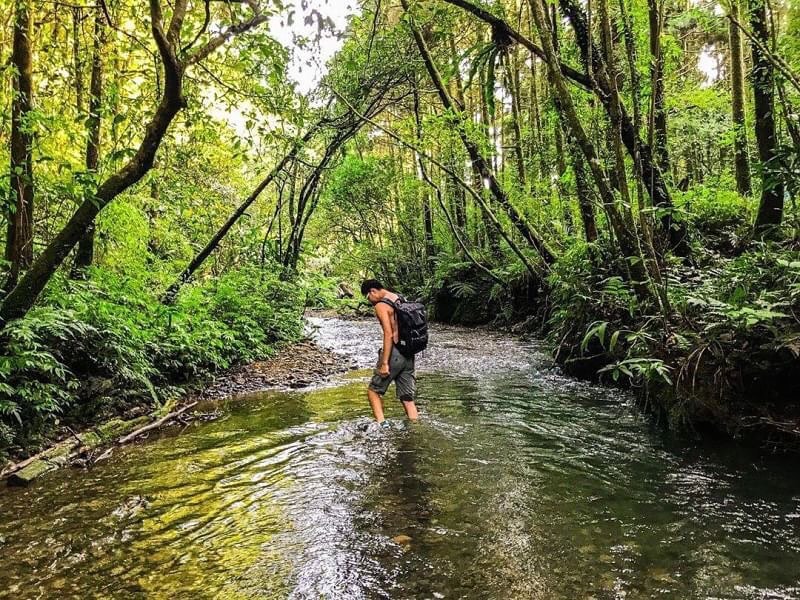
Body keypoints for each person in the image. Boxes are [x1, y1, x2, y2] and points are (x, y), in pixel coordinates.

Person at [361, 279, 419, 427]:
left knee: (373, 391)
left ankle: (382, 425)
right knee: (407, 397)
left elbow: (388, 334)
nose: (370, 301)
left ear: (373, 291)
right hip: (409, 353)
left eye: (368, 297)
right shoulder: (399, 299)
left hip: (394, 354)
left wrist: (385, 362)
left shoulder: (381, 305)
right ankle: (415, 427)